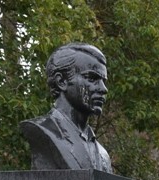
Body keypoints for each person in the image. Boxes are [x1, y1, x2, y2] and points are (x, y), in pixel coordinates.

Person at [20, 43, 113, 172]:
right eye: (92, 78)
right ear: (61, 81)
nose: (103, 89)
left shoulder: (103, 155)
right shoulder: (43, 131)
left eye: (104, 81)